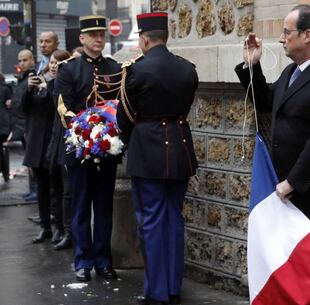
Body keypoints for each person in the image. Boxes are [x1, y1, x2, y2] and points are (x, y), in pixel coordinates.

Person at [235, 5, 310, 305]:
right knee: (293, 282)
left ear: (308, 35)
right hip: (288, 195)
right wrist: (252, 66)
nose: (280, 39)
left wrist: (293, 182)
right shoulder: (291, 72)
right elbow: (263, 101)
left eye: (287, 32)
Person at [116, 12, 198, 305]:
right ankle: (173, 289)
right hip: (179, 151)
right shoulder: (187, 69)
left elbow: (124, 118)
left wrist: (129, 141)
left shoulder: (136, 71)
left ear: (145, 39)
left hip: (147, 151)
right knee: (174, 219)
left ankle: (157, 292)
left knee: (150, 222)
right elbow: (185, 108)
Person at [54, 15, 122, 282]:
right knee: (81, 207)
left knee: (104, 208)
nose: (98, 39)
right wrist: (86, 130)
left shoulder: (114, 67)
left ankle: (104, 261)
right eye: (93, 35)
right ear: (82, 39)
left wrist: (107, 130)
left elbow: (119, 105)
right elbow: (63, 107)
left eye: (102, 35)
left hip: (107, 150)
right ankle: (83, 262)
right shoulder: (68, 69)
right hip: (79, 150)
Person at [21, 49, 56, 243]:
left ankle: (59, 225)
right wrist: (28, 89)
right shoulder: (33, 83)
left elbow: (56, 109)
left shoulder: (56, 84)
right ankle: (45, 226)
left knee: (56, 188)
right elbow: (23, 109)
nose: (50, 67)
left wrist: (47, 89)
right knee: (41, 187)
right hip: (36, 141)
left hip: (51, 140)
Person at [45, 49, 73, 249]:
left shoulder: (64, 83)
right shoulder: (49, 84)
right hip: (54, 141)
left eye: (58, 62)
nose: (54, 65)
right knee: (55, 186)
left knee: (67, 191)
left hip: (66, 141)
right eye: (52, 62)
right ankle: (59, 227)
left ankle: (68, 230)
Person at [12, 50, 38, 202]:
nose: (22, 63)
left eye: (25, 60)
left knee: (32, 161)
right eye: (20, 60)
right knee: (29, 161)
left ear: (32, 61)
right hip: (22, 125)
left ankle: (36, 190)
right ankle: (32, 189)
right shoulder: (22, 78)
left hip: (27, 125)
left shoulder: (31, 78)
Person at [0, 73, 12, 182]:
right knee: (4, 150)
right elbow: (9, 105)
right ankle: (5, 173)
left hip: (2, 122)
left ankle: (5, 173)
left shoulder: (4, 88)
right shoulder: (6, 88)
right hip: (4, 122)